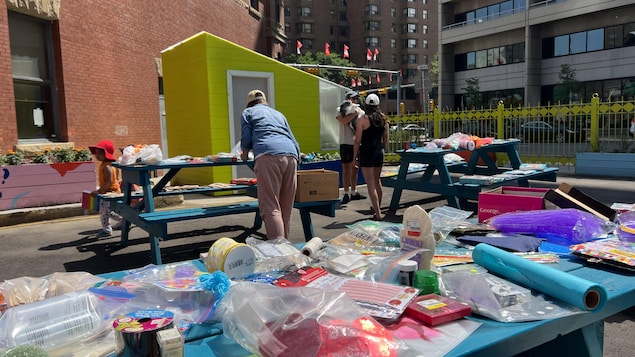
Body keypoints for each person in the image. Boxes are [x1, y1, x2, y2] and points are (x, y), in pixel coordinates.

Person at [240, 89, 301, 239]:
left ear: (249, 104)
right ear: (265, 102)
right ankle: (285, 248)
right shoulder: (279, 114)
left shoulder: (248, 113)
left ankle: (278, 253)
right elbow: (293, 139)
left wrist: (245, 152)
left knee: (271, 206)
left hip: (267, 155)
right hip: (291, 155)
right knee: (286, 208)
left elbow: (246, 137)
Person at [354, 94, 389, 221]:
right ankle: (377, 208)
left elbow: (357, 141)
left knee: (370, 183)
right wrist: (383, 149)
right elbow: (385, 138)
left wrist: (354, 157)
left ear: (366, 105)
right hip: (378, 151)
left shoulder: (362, 119)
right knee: (377, 180)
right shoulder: (383, 119)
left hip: (367, 152)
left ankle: (378, 214)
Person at [336, 90, 366, 204]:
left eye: (356, 99)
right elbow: (343, 121)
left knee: (355, 168)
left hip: (356, 143)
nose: (354, 101)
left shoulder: (361, 112)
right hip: (345, 142)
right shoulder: (340, 110)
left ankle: (354, 191)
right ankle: (346, 193)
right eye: (352, 98)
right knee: (346, 169)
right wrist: (353, 113)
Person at [89, 139, 123, 237]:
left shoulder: (107, 166)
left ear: (106, 153)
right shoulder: (111, 164)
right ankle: (123, 220)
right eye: (96, 153)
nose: (97, 155)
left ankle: (107, 230)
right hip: (112, 191)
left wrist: (99, 191)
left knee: (104, 212)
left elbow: (110, 181)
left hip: (109, 192)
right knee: (109, 210)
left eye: (100, 153)